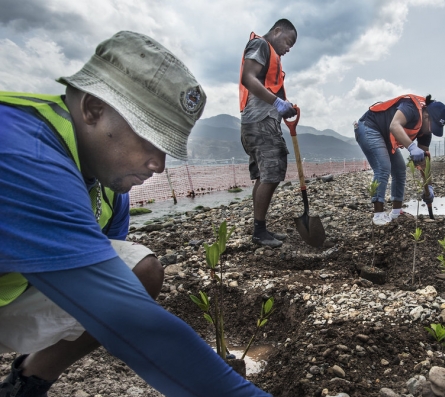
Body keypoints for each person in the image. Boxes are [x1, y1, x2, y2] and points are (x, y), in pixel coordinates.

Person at [0, 31, 271, 396]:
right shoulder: (23, 151)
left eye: (167, 149)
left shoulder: (108, 186)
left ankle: (27, 381)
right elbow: (135, 324)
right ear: (94, 109)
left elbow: (110, 300)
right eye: (150, 139)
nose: (158, 165)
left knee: (137, 271)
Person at [238, 19, 298, 248]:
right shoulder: (260, 45)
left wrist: (284, 106)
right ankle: (259, 232)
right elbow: (248, 77)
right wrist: (277, 103)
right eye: (288, 41)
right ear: (277, 31)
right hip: (260, 123)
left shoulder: (273, 57)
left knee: (264, 175)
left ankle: (259, 229)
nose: (288, 48)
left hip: (261, 122)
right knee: (272, 173)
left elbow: (271, 89)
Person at [354, 94, 445, 225]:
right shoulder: (411, 107)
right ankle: (378, 216)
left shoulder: (426, 133)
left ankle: (396, 213)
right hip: (369, 127)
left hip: (385, 137)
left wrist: (429, 186)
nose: (431, 131)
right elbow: (394, 125)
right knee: (383, 167)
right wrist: (412, 147)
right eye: (433, 127)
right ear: (427, 116)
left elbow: (424, 161)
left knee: (399, 170)